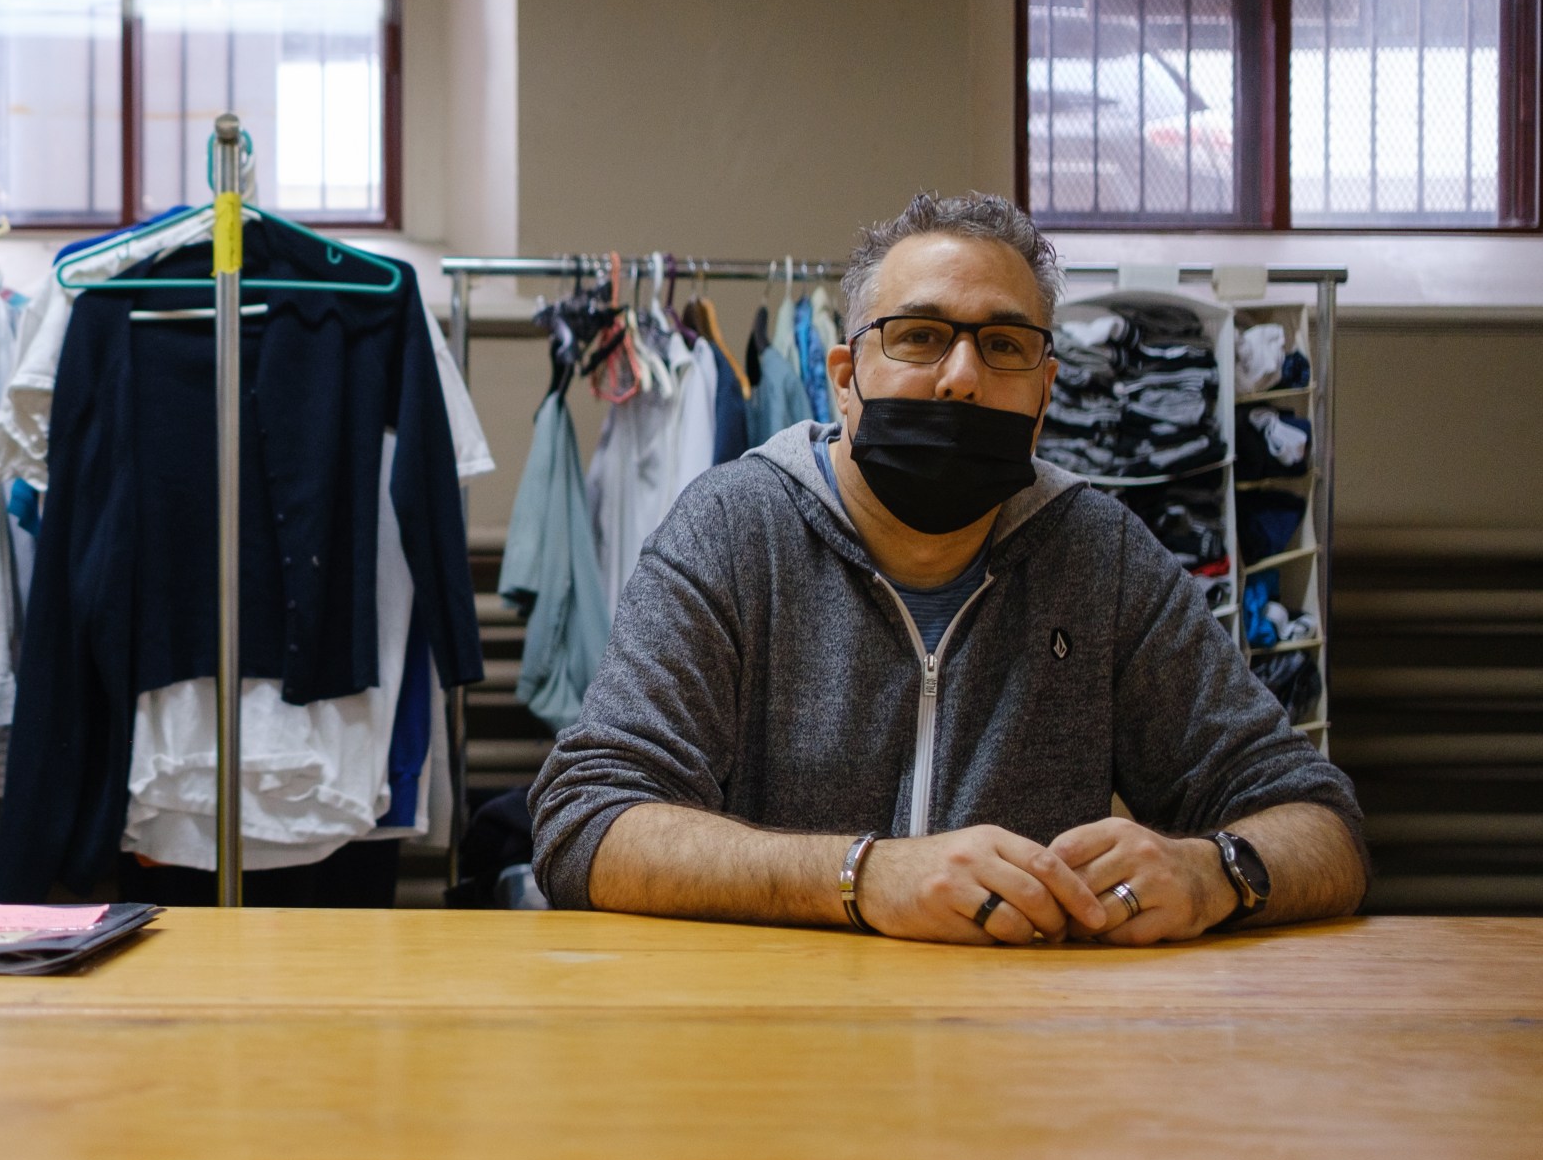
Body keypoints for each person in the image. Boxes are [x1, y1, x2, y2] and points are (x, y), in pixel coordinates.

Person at [526, 194, 1366, 944]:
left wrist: (1216, 871)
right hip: (771, 1049)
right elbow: (585, 820)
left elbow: (1323, 822)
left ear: (1044, 396)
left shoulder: (1101, 556)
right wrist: (865, 876)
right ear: (846, 380)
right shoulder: (732, 532)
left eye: (1003, 345)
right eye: (921, 335)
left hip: (1017, 1062)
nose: (962, 377)